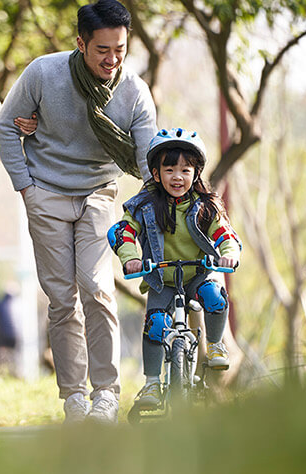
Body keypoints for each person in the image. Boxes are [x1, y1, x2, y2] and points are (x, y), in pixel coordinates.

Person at [0, 0, 159, 424]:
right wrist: (26, 188)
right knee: (62, 299)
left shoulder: (134, 91)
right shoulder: (44, 73)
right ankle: (74, 397)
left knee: (98, 288)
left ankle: (106, 393)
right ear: (81, 44)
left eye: (120, 49)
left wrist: (161, 199)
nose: (112, 58)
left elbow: (147, 160)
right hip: (44, 192)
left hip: (98, 194)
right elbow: (6, 128)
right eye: (103, 49)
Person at [107, 128, 245, 411]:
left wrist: (228, 255)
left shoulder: (205, 206)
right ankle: (152, 383)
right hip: (162, 279)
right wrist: (130, 257)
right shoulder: (144, 205)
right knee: (156, 324)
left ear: (196, 173)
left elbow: (225, 235)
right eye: (169, 169)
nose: (177, 177)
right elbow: (121, 232)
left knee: (216, 297)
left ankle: (215, 344)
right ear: (156, 174)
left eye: (185, 170)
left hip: (197, 274)